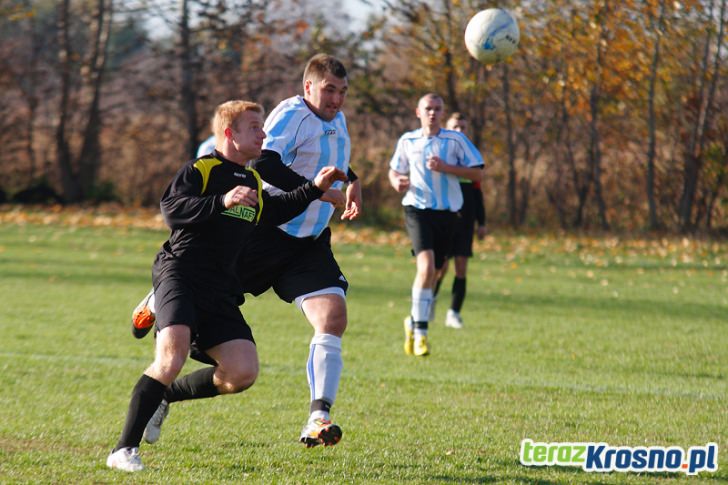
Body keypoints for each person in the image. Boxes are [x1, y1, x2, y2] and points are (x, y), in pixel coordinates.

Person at [130, 54, 361, 448]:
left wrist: (351, 181)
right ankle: (163, 299)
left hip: (308, 245)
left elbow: (330, 164)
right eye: (328, 90)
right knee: (200, 311)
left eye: (341, 92)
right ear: (308, 87)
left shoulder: (337, 121)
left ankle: (317, 417)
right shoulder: (290, 115)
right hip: (261, 235)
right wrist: (324, 193)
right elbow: (265, 165)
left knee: (333, 317)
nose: (336, 99)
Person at [388, 94, 484, 357]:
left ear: (443, 113)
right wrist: (397, 181)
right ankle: (421, 334)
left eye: (437, 109)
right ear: (418, 112)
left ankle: (412, 320)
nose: (432, 113)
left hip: (448, 214)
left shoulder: (456, 140)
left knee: (437, 271)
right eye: (428, 109)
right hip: (417, 210)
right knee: (426, 266)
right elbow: (395, 170)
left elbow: (478, 173)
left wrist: (447, 167)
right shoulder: (408, 140)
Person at [433, 112, 487, 329]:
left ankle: (454, 313)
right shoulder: (440, 153)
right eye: (455, 127)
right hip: (444, 218)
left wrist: (482, 222)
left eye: (463, 127)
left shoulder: (470, 158)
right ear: (447, 128)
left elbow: (477, 192)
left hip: (466, 219)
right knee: (440, 267)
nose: (460, 131)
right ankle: (430, 302)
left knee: (461, 266)